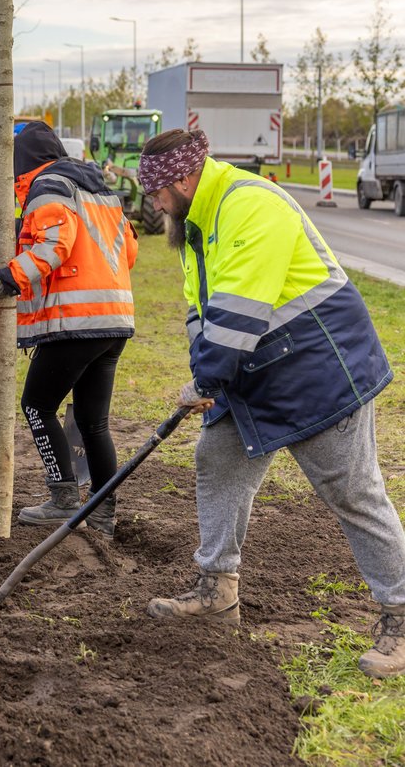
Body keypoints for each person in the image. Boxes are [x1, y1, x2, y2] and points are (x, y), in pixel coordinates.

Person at [136, 128, 405, 679]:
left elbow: (237, 313)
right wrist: (203, 379)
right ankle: (217, 591)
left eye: (158, 192)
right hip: (253, 373)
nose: (154, 204)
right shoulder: (196, 225)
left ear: (185, 178)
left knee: (352, 491)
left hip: (317, 368)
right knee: (219, 461)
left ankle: (400, 615)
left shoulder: (250, 204)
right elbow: (200, 310)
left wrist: (207, 380)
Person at [0, 121, 139, 538]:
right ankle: (103, 516)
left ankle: (63, 498)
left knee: (36, 404)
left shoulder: (46, 186)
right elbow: (130, 251)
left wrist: (6, 278)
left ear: (21, 162)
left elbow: (53, 247)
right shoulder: (98, 188)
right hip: (114, 319)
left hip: (76, 321)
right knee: (92, 422)